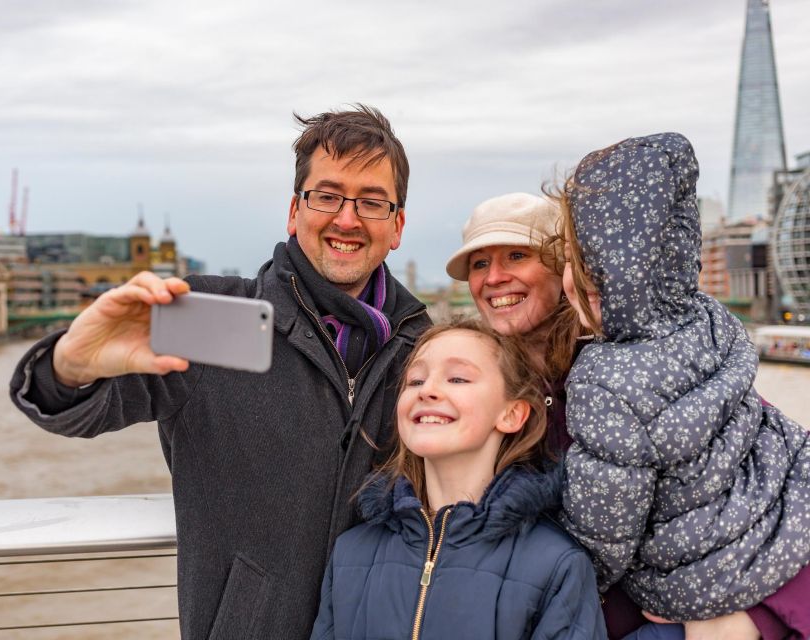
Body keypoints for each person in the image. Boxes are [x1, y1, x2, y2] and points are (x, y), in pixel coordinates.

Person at [8, 105, 431, 640]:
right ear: (294, 212)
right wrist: (68, 364)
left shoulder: (424, 348)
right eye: (327, 196)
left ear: (396, 226)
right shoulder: (206, 316)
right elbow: (74, 409)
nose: (346, 219)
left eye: (371, 202)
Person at [446, 191, 810, 639]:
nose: (494, 278)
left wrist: (755, 619)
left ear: (565, 269)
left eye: (516, 255)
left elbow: (787, 479)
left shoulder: (649, 366)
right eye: (479, 265)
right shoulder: (472, 392)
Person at [558, 133, 810, 625]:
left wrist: (582, 577)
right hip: (784, 524)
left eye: (575, 260)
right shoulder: (709, 318)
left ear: (605, 275)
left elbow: (604, 531)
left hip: (703, 577)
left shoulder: (604, 382)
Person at [309, 320, 606, 640]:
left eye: (458, 378)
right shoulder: (351, 554)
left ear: (512, 414)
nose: (428, 390)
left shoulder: (557, 565)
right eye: (415, 380)